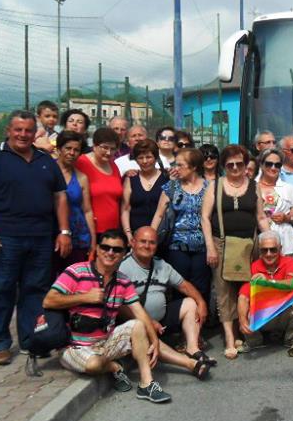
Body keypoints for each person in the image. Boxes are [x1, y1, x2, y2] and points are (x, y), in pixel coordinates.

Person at [0, 111, 71, 365]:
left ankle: (30, 341)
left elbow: (60, 197)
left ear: (35, 132)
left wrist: (64, 231)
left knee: (35, 291)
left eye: (28, 130)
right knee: (1, 290)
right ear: (8, 130)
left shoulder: (45, 160)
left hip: (41, 238)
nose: (23, 135)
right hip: (4, 238)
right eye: (18, 130)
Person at [43, 229, 174, 403]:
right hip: (76, 346)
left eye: (117, 250)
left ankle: (146, 384)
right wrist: (85, 297)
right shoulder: (76, 271)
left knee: (138, 325)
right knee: (94, 365)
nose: (110, 252)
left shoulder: (122, 281)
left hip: (105, 342)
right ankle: (113, 367)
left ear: (123, 254)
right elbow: (48, 301)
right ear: (97, 249)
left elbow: (139, 313)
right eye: (106, 247)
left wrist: (155, 340)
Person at [201, 145, 268, 359]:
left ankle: (242, 330)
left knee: (246, 288)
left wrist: (270, 238)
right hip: (221, 244)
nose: (236, 168)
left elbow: (260, 217)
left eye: (239, 163)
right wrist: (210, 247)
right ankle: (230, 337)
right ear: (224, 166)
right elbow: (204, 217)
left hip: (249, 244)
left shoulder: (254, 186)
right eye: (230, 164)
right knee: (224, 291)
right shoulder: (215, 186)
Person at [119, 227, 214, 370]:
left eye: (152, 242)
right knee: (143, 332)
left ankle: (192, 349)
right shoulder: (123, 267)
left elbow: (185, 286)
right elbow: (120, 306)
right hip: (135, 323)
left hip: (161, 323)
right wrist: (148, 322)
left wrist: (201, 303)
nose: (147, 246)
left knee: (190, 303)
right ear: (132, 242)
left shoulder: (161, 265)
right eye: (143, 241)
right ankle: (188, 364)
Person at [152, 147, 210, 306]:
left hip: (202, 246)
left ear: (194, 167)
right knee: (179, 286)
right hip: (176, 245)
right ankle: (181, 321)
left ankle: (200, 322)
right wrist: (150, 237)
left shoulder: (209, 187)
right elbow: (158, 214)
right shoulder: (171, 187)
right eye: (175, 164)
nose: (176, 169)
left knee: (201, 286)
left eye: (180, 165)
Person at [237, 231, 293, 349]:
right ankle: (254, 342)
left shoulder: (290, 262)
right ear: (259, 251)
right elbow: (243, 296)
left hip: (284, 312)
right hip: (263, 315)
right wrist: (242, 321)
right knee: (246, 314)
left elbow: (292, 284)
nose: (269, 254)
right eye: (264, 250)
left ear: (280, 249)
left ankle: (290, 339)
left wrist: (268, 282)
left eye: (273, 250)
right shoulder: (253, 266)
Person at [54, 130, 96, 275]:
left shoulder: (82, 177)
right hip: (51, 235)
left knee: (75, 279)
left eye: (76, 150)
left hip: (78, 238)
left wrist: (93, 241)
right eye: (68, 148)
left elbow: (87, 210)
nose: (72, 153)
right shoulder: (46, 171)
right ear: (59, 149)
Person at [74, 127, 124, 233]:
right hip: (89, 229)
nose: (109, 152)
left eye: (113, 149)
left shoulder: (113, 165)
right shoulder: (81, 163)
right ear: (95, 146)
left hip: (113, 230)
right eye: (105, 147)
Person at [256, 147, 293, 255]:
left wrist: (287, 218)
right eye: (269, 164)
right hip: (260, 239)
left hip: (285, 241)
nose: (273, 168)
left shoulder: (289, 188)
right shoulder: (251, 186)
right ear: (261, 165)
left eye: (277, 165)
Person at [121, 138, 169, 239]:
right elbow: (125, 209)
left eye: (148, 157)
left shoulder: (166, 178)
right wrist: (128, 234)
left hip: (160, 235)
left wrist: (150, 235)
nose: (145, 161)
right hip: (134, 235)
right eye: (140, 158)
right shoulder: (131, 179)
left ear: (156, 157)